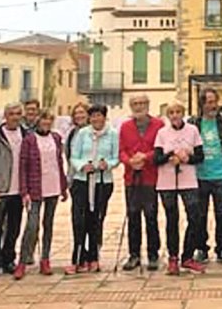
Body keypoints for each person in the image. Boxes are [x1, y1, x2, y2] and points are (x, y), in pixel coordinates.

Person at [14, 110, 68, 279]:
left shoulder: (56, 138)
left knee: (48, 225)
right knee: (32, 225)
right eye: (44, 119)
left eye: (49, 119)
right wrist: (24, 191)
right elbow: (22, 167)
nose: (46, 122)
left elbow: (59, 163)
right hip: (35, 188)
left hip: (53, 186)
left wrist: (63, 186)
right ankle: (22, 261)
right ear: (38, 121)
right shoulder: (29, 140)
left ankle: (45, 259)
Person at [154, 102, 206, 275]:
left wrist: (187, 158)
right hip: (167, 181)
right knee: (172, 219)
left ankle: (188, 256)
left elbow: (200, 156)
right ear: (168, 116)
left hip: (188, 180)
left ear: (183, 113)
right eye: (171, 113)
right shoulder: (162, 133)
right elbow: (156, 159)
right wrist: (171, 156)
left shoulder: (192, 130)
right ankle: (173, 257)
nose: (175, 115)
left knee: (194, 216)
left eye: (178, 112)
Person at [68, 103, 119, 274]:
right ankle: (78, 258)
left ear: (105, 117)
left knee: (96, 220)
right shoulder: (83, 134)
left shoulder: (112, 134)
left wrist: (108, 164)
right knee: (79, 220)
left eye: (99, 115)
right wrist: (82, 166)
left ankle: (94, 257)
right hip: (82, 181)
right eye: (93, 116)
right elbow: (73, 156)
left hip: (102, 182)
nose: (96, 119)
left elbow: (116, 157)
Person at [188, 88, 222, 265]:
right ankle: (201, 248)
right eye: (209, 102)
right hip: (199, 177)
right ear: (202, 104)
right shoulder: (194, 123)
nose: (213, 105)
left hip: (221, 175)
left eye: (215, 101)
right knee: (200, 215)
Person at [118, 94, 163, 271]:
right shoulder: (125, 126)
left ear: (148, 104)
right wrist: (129, 161)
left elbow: (161, 148)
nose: (139, 107)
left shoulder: (158, 125)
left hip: (151, 177)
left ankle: (153, 254)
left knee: (151, 216)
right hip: (131, 178)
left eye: (142, 103)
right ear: (131, 106)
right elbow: (121, 150)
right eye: (135, 104)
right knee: (133, 216)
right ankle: (134, 255)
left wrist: (146, 157)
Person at [0, 102, 28, 279]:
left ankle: (8, 259)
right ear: (6, 116)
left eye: (18, 113)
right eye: (11, 113)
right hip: (1, 190)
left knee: (14, 228)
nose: (15, 117)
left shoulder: (26, 135)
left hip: (19, 191)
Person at [64, 102, 92, 273]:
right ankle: (79, 254)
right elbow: (69, 158)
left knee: (92, 220)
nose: (79, 116)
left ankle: (90, 255)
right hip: (76, 180)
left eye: (82, 113)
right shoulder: (71, 134)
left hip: (94, 180)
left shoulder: (93, 132)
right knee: (77, 219)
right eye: (76, 114)